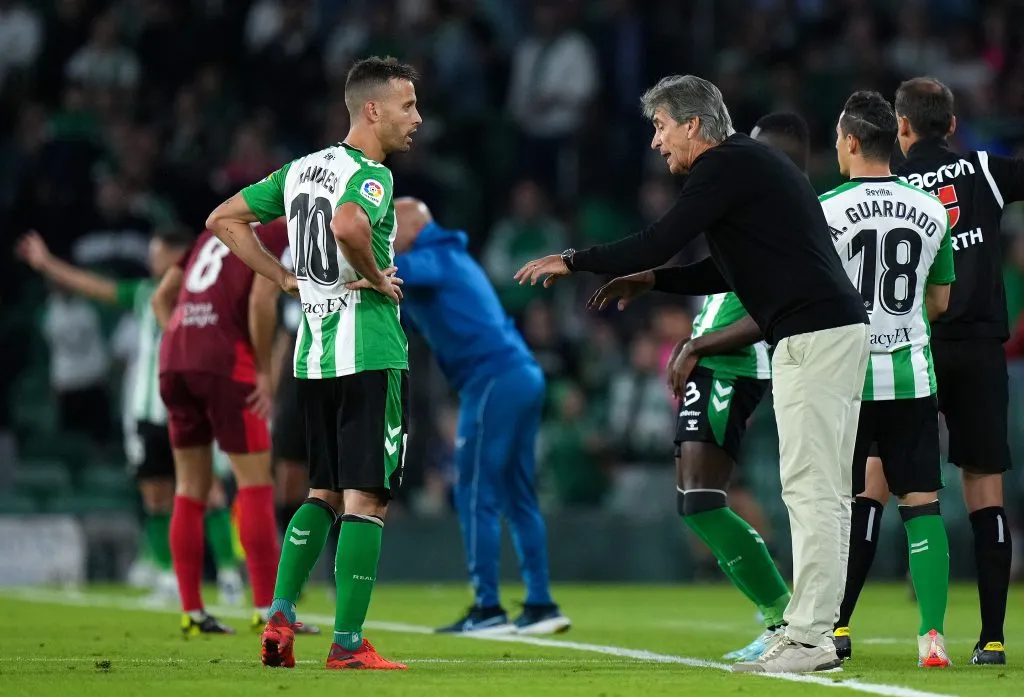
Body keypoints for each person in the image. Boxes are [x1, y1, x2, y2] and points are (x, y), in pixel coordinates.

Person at [518, 75, 870, 674]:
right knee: (823, 492)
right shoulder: (747, 165)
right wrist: (654, 280)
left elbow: (659, 238)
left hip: (813, 334)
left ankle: (809, 637)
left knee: (812, 491)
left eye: (661, 127)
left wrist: (575, 259)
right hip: (825, 330)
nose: (656, 141)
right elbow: (724, 270)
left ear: (693, 124)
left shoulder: (724, 165)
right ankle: (814, 632)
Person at [204, 56, 421, 671]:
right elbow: (349, 224)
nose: (417, 118)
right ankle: (348, 644)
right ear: (372, 110)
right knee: (366, 501)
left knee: (320, 492)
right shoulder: (371, 174)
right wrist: (378, 277)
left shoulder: (300, 169)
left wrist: (282, 277)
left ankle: (279, 614)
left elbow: (223, 219)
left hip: (313, 355)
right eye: (408, 106)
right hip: (369, 350)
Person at [594, 113, 812, 663]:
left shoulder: (782, 216)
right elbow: (720, 276)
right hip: (717, 363)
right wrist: (660, 289)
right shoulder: (757, 214)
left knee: (703, 498)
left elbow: (771, 309)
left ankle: (781, 615)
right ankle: (779, 614)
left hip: (734, 367)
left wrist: (697, 345)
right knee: (696, 501)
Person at [844, 77, 1024, 666]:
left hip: (912, 348)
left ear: (900, 127)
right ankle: (992, 639)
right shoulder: (985, 170)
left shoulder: (893, 187)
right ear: (951, 125)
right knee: (985, 490)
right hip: (979, 350)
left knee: (874, 483)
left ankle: (838, 624)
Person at [14, 228, 244, 605]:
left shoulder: (207, 294)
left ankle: (229, 576)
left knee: (210, 493)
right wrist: (47, 264)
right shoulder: (143, 294)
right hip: (148, 411)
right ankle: (169, 577)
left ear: (177, 255)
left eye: (157, 253)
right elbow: (93, 286)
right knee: (156, 498)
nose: (151, 259)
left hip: (193, 410)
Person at [392, 197, 570, 635]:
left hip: (492, 379)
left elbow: (397, 271)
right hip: (518, 374)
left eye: (390, 224)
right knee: (518, 495)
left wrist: (347, 251)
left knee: (474, 492)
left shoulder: (435, 255)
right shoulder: (451, 255)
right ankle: (540, 604)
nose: (385, 232)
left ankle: (487, 606)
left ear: (414, 226)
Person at [824, 91, 954, 668]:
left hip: (846, 382)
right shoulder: (931, 208)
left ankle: (831, 627)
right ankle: (933, 638)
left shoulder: (824, 210)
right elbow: (940, 301)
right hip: (911, 378)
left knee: (839, 506)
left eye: (837, 138)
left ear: (852, 141)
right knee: (922, 505)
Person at [152, 218, 293, 635]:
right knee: (255, 483)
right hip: (227, 363)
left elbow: (161, 298)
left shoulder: (207, 234)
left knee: (188, 488)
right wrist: (264, 371)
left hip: (175, 360)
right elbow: (261, 300)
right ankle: (267, 610)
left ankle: (193, 613)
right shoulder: (279, 231)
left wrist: (185, 337)